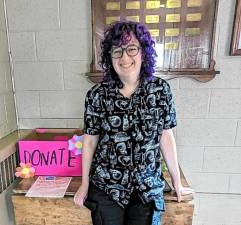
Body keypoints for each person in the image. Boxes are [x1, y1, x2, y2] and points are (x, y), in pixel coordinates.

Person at [74, 21, 193, 225]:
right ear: (109, 57)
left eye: (131, 49)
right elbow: (90, 141)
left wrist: (176, 181)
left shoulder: (161, 90)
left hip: (146, 188)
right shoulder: (96, 95)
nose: (125, 57)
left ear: (143, 53)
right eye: (117, 51)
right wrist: (84, 184)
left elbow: (166, 135)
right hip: (106, 186)